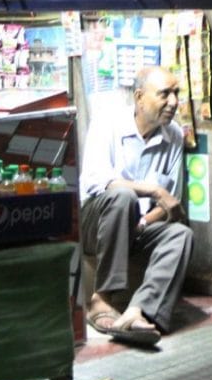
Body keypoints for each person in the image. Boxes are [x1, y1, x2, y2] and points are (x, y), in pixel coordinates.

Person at [79, 66, 194, 347]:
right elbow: (97, 181)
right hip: (95, 222)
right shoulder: (107, 123)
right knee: (123, 197)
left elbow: (169, 203)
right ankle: (102, 299)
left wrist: (145, 221)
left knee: (181, 234)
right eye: (164, 94)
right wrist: (153, 189)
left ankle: (139, 311)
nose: (173, 102)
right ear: (140, 97)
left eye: (176, 93)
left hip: (137, 226)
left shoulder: (174, 135)